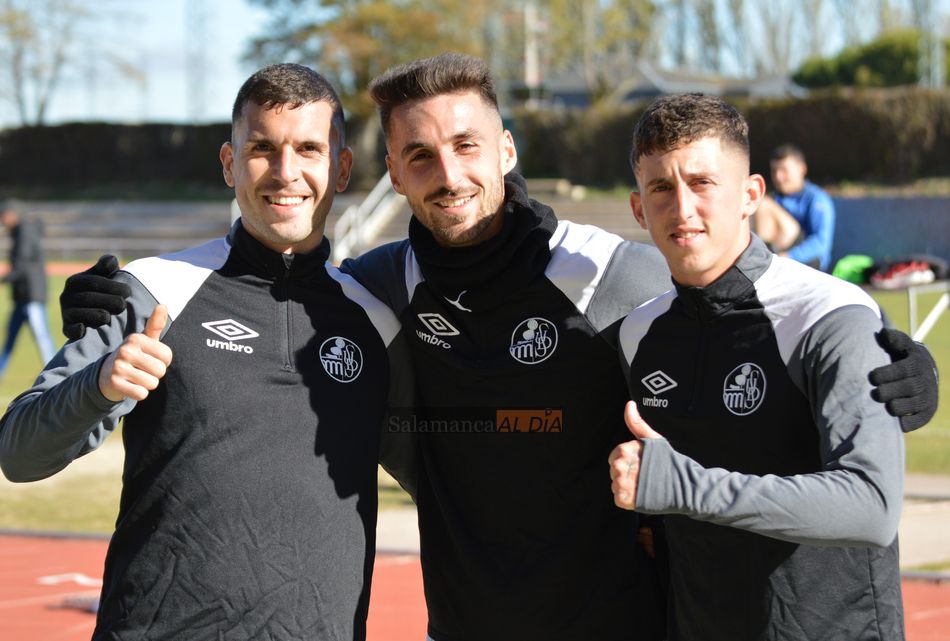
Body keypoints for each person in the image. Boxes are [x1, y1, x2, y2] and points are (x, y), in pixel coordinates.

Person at [57, 54, 938, 640]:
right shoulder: (379, 287)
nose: (449, 173)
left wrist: (893, 369)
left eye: (467, 145)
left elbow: (730, 296)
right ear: (392, 175)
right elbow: (279, 296)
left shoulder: (608, 276)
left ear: (506, 149)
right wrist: (98, 303)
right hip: (469, 621)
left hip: (621, 624)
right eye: (421, 156)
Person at [0, 63, 413, 641]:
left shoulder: (377, 322)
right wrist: (97, 386)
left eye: (309, 149)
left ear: (341, 167)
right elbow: (18, 453)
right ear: (229, 163)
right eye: (262, 148)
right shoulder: (153, 291)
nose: (285, 172)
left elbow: (449, 481)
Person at [609, 93, 905, 640]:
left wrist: (688, 488)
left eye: (702, 183)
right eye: (661, 188)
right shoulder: (636, 333)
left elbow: (872, 506)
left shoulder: (830, 315)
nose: (682, 208)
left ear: (750, 195)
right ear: (637, 208)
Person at [755, 143, 835, 270]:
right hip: (780, 256)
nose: (778, 177)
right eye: (774, 170)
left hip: (809, 262)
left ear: (801, 169)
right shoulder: (776, 198)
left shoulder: (816, 198)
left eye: (784, 170)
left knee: (763, 202)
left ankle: (759, 261)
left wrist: (789, 256)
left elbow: (821, 242)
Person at [0, 201, 56, 378]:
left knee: (43, 339)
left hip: (32, 297)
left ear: (11, 215)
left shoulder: (25, 233)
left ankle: (56, 375)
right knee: (9, 342)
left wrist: (4, 279)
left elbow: (21, 266)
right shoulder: (19, 233)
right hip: (21, 297)